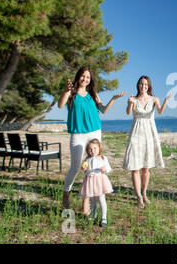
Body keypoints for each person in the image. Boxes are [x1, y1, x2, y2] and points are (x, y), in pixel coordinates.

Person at [58, 66, 125, 209]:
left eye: (88, 77)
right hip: (78, 134)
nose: (85, 79)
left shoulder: (93, 93)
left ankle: (88, 201)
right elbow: (60, 105)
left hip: (94, 132)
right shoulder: (72, 93)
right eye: (83, 76)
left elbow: (103, 110)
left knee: (94, 167)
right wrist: (66, 90)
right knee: (76, 167)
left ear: (90, 79)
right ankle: (66, 193)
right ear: (78, 77)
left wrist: (113, 99)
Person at [123, 76, 170, 208]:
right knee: (135, 167)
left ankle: (144, 193)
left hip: (149, 133)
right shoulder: (134, 99)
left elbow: (160, 111)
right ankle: (138, 196)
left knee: (146, 168)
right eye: (141, 84)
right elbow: (128, 113)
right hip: (136, 133)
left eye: (145, 84)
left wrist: (166, 101)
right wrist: (129, 103)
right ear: (138, 86)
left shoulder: (154, 99)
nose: (143, 86)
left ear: (148, 86)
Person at [79, 139, 113, 227]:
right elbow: (86, 171)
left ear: (99, 148)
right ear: (87, 150)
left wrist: (105, 169)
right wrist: (84, 169)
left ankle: (104, 217)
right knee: (93, 200)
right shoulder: (87, 159)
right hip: (90, 181)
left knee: (101, 199)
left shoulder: (102, 158)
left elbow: (109, 168)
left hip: (100, 181)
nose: (93, 151)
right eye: (90, 149)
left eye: (95, 148)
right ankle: (94, 215)